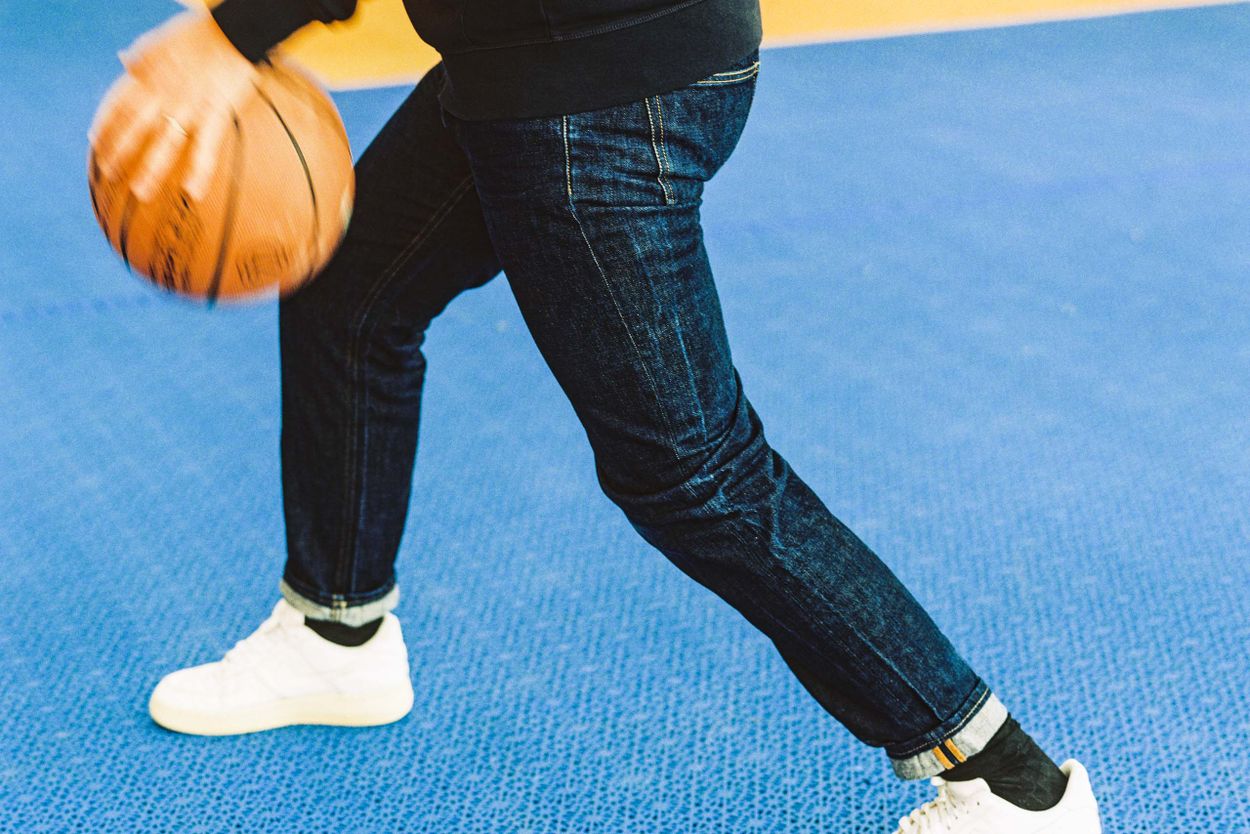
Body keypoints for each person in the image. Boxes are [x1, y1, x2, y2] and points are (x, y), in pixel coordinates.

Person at [90, 2, 1103, 831]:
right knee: (352, 296)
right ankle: (334, 634)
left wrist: (237, 31)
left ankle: (1006, 783)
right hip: (529, 57)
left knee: (694, 476)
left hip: (596, 85)